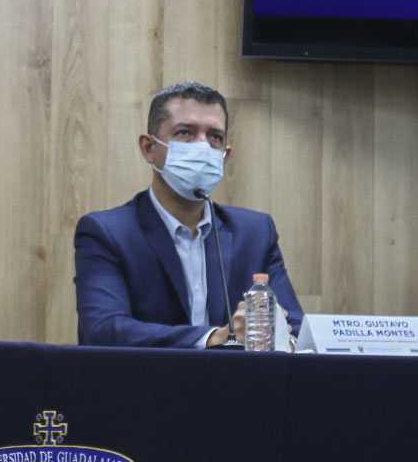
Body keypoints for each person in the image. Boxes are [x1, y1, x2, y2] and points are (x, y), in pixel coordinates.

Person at [73, 82, 302, 348]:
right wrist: (214, 337)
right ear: (149, 148)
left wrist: (280, 335)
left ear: (225, 155)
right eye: (185, 133)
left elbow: (295, 328)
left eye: (215, 137)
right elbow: (103, 330)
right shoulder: (107, 232)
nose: (202, 147)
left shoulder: (255, 232)